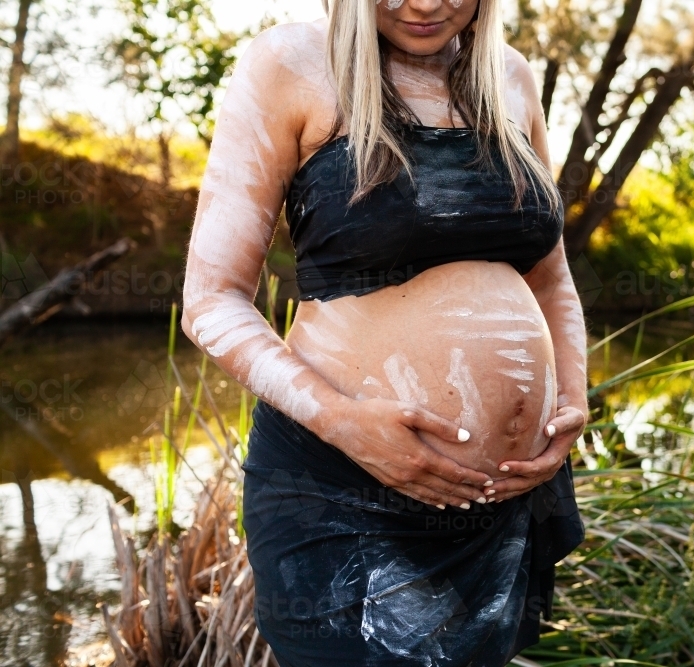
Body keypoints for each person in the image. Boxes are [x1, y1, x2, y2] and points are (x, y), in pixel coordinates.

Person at [181, 0, 589, 664]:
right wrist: (343, 419)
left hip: (502, 504)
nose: (426, 4)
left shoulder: (511, 78)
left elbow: (552, 279)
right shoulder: (289, 64)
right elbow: (211, 301)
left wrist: (572, 397)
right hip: (341, 490)